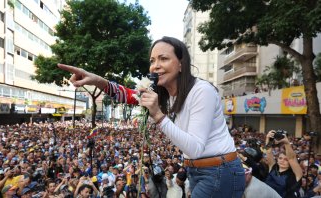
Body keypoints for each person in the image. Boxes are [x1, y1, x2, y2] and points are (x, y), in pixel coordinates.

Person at [58, 36, 245, 197]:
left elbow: (195, 148)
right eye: (152, 60)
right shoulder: (168, 94)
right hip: (197, 170)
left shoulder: (201, 91)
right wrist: (96, 80)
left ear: (181, 63)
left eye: (163, 59)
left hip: (219, 172)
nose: (156, 66)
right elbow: (129, 94)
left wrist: (158, 115)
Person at [264, 130, 303, 198]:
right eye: (280, 158)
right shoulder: (273, 167)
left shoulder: (296, 174)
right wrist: (269, 139)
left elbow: (292, 158)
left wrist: (286, 143)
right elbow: (268, 151)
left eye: (286, 160)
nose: (282, 161)